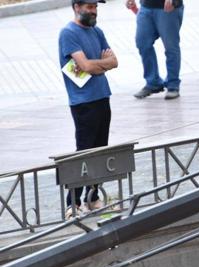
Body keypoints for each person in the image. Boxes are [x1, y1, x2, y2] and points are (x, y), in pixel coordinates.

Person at [59, 0, 118, 219]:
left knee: (100, 148)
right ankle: (72, 203)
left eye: (95, 7)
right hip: (83, 101)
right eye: (90, 7)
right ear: (77, 7)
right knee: (84, 150)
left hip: (103, 95)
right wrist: (100, 64)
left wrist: (97, 66)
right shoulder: (68, 33)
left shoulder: (97, 31)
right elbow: (85, 66)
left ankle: (92, 198)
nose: (94, 11)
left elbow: (114, 61)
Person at [126, 0, 184, 100]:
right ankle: (153, 83)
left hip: (167, 8)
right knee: (142, 43)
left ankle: (173, 85)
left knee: (170, 47)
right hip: (146, 7)